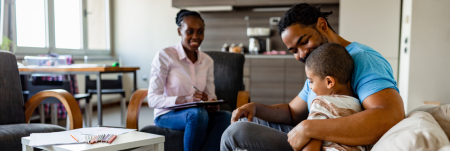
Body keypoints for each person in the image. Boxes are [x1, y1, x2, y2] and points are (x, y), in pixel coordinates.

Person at [221, 3, 404, 151]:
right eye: (294, 51)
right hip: (311, 134)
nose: (301, 54)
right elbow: (293, 112)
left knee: (236, 133)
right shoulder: (319, 62)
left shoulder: (362, 58)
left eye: (304, 42)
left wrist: (310, 128)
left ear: (322, 25)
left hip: (328, 143)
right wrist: (256, 108)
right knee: (246, 120)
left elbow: (390, 116)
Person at [148, 9, 231, 151]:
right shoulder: (165, 55)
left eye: (200, 31)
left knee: (225, 116)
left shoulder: (207, 61)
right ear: (179, 31)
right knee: (197, 114)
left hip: (199, 114)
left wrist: (211, 103)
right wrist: (186, 99)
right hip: (167, 114)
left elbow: (211, 95)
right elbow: (152, 99)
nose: (195, 36)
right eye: (190, 31)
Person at [301, 43, 368, 151]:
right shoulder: (361, 107)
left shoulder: (321, 103)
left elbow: (311, 147)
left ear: (329, 82)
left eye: (311, 81)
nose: (310, 87)